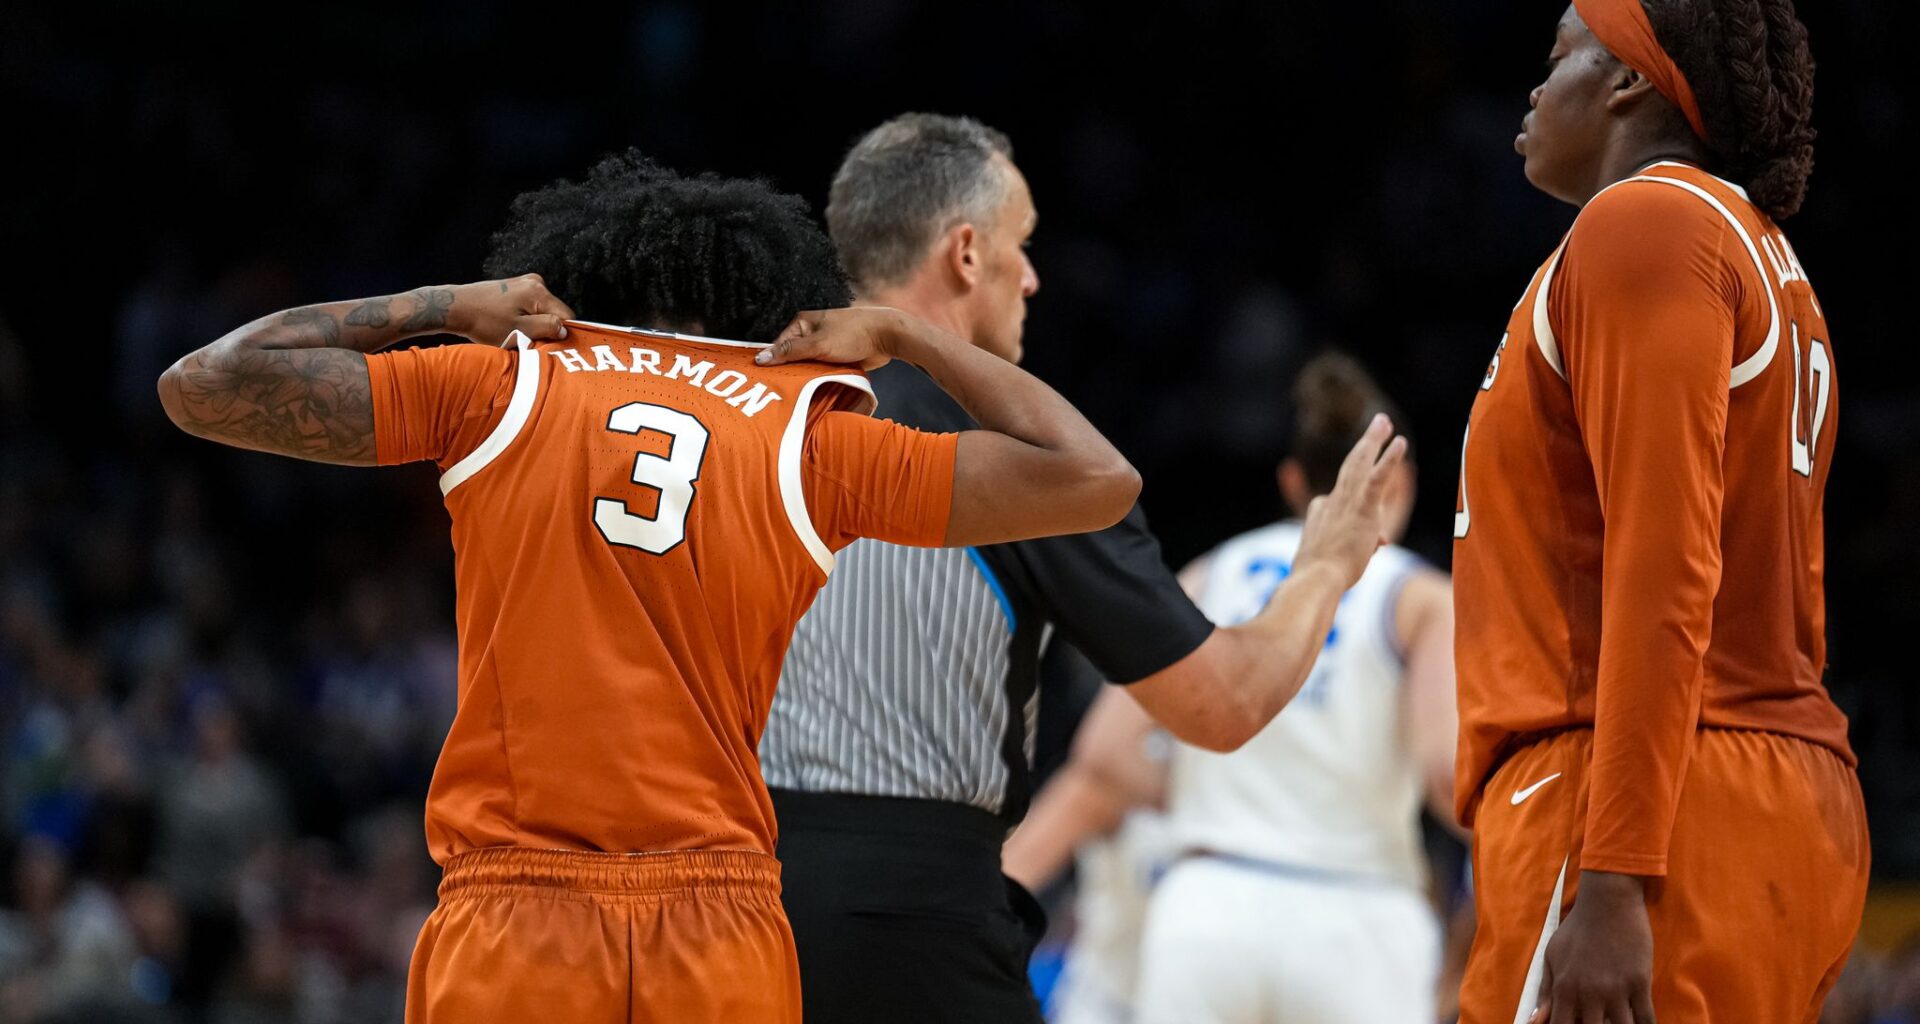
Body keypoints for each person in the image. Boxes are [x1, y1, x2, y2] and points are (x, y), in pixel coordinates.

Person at [155, 150, 1145, 1024]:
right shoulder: (809, 434)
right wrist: (906, 335)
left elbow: (202, 383)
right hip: (721, 926)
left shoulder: (498, 383)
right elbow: (1099, 479)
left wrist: (452, 303)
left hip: (518, 911)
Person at [760, 114, 1405, 1023]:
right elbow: (1222, 703)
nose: (1034, 276)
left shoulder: (743, 411)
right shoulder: (1017, 458)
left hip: (727, 902)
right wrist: (1328, 566)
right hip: (914, 923)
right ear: (966, 253)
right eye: (1022, 246)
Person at [1452, 3, 1866, 1021]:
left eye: (1558, 59)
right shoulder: (1762, 254)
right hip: (1770, 787)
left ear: (1631, 81)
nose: (1538, 90)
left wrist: (1614, 876)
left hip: (1645, 801)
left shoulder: (1647, 223)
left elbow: (1665, 563)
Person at [1004, 352, 1460, 1024]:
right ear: (1402, 480)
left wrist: (1207, 789)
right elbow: (1448, 775)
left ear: (1292, 479)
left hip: (1207, 911)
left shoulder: (1212, 572)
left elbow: (1103, 756)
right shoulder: (1419, 597)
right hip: (1357, 918)